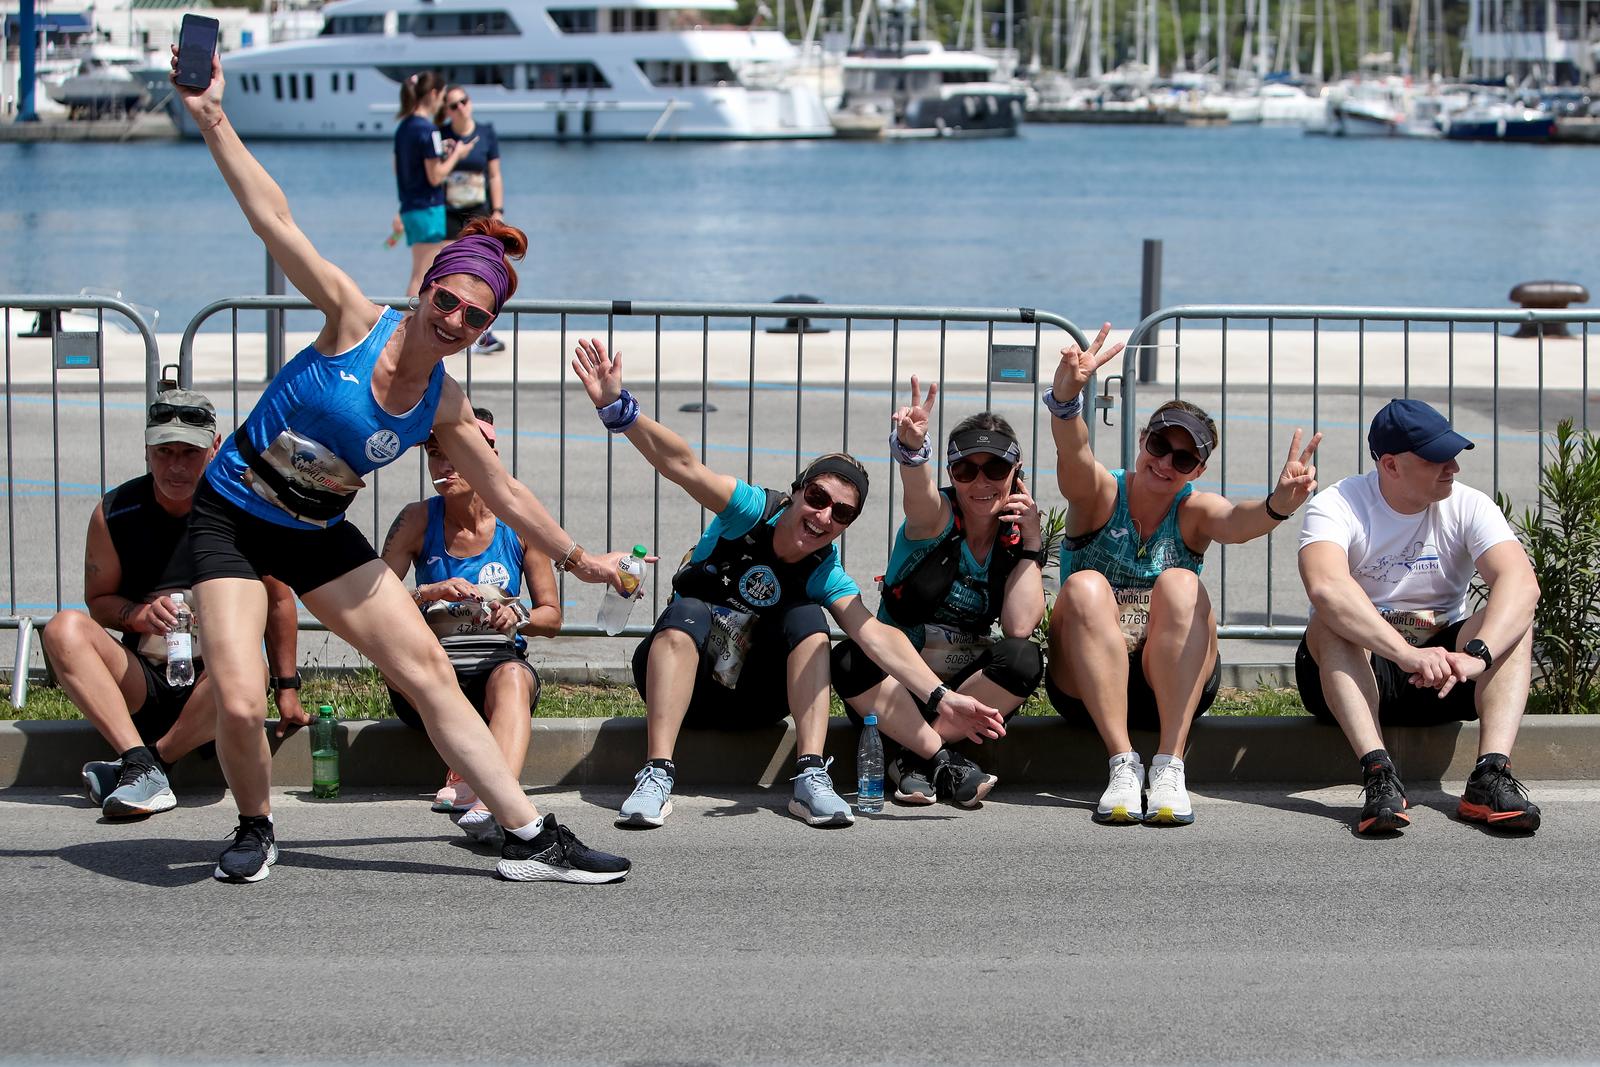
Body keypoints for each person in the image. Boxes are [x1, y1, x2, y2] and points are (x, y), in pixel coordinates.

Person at [174, 49, 633, 885]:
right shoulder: (354, 318)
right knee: (238, 696)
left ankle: (530, 836)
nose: (455, 318)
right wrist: (211, 114)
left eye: (475, 315)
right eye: (448, 299)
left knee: (427, 670)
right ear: (429, 288)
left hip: (316, 531)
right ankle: (254, 823)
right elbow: (275, 221)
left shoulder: (444, 403)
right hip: (231, 516)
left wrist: (577, 560)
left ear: (486, 327)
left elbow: (505, 489)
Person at [570, 339, 1005, 830]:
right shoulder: (750, 509)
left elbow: (874, 633)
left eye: (841, 513)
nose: (823, 517)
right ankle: (656, 775)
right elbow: (683, 465)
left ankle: (810, 777)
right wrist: (620, 411)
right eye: (817, 498)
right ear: (797, 490)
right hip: (688, 687)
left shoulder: (824, 568)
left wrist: (942, 698)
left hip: (759, 697)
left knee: (809, 618)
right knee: (688, 610)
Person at [1044, 325, 1321, 826]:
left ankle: (1170, 766)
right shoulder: (1101, 496)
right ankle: (1123, 765)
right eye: (1159, 444)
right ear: (1142, 440)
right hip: (1087, 685)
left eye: (1184, 457)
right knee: (1086, 586)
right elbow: (1074, 455)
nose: (1165, 462)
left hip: (1171, 685)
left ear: (1197, 468)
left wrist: (1280, 504)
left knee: (1181, 582)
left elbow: (1239, 523)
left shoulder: (1193, 511)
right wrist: (1067, 398)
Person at [40, 389, 305, 818]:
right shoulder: (115, 511)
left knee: (246, 667)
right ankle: (138, 758)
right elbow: (99, 601)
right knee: (62, 628)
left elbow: (279, 600)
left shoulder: (248, 509)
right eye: (164, 452)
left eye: (189, 452)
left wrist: (287, 688)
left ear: (215, 447)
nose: (176, 466)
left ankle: (151, 764)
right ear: (147, 451)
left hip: (215, 681)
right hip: (143, 674)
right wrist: (140, 615)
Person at [1296, 398, 1542, 835]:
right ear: (1390, 465)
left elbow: (1521, 583)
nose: (1453, 467)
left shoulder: (1469, 505)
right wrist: (1406, 654)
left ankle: (1490, 775)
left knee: (1515, 623)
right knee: (1330, 621)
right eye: (1436, 458)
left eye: (1453, 455)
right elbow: (1326, 587)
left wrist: (1476, 657)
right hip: (1357, 670)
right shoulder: (1338, 504)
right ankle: (1378, 774)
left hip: (1446, 672)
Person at [831, 377, 1045, 808]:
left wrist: (1033, 544)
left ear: (1016, 472)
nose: (981, 483)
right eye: (967, 470)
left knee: (1024, 656)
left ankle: (914, 758)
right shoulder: (935, 518)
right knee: (850, 658)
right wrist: (911, 451)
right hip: (903, 681)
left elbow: (1020, 624)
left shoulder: (1016, 535)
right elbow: (918, 492)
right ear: (952, 473)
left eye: (996, 469)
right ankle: (941, 758)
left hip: (969, 687)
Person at [379, 407, 561, 846]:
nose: (443, 466)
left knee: (514, 676)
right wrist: (430, 592)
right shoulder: (417, 519)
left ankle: (488, 805)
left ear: (487, 457)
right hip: (431, 673)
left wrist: (518, 616)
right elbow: (372, 603)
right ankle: (477, 781)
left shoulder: (518, 524)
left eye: (455, 454)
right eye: (434, 455)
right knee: (410, 669)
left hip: (495, 668)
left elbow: (551, 616)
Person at [436, 86, 507, 355]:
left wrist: (498, 210)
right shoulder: (442, 136)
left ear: (470, 102)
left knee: (481, 272)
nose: (460, 108)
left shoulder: (486, 133)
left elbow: (495, 175)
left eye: (463, 102)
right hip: (448, 212)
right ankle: (444, 327)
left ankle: (481, 332)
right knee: (447, 270)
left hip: (479, 212)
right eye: (453, 105)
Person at [393, 71, 477, 299]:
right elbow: (436, 176)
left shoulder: (403, 127)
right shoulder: (428, 130)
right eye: (442, 97)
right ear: (433, 93)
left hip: (411, 205)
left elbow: (399, 166)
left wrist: (443, 153)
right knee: (422, 274)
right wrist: (457, 154)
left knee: (420, 270)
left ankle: (411, 324)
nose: (442, 103)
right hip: (428, 207)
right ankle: (407, 326)